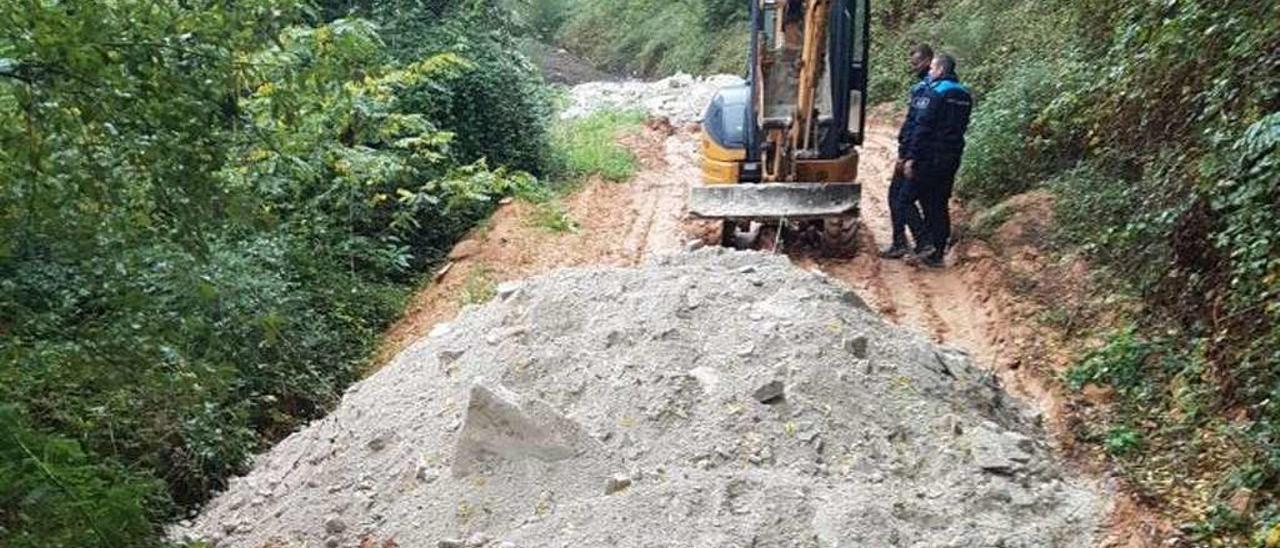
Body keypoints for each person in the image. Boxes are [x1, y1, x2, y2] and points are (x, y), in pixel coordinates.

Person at [900, 53, 973, 268]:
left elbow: (923, 127)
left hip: (929, 156)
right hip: (952, 156)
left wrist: (910, 157)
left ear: (941, 70)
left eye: (932, 68)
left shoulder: (935, 93)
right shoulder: (964, 95)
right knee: (938, 203)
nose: (930, 72)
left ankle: (924, 243)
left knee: (904, 199)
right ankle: (937, 253)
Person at [880, 44, 934, 259]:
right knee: (902, 196)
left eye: (917, 63)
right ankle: (908, 241)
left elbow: (918, 125)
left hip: (917, 154)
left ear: (929, 60)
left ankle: (917, 242)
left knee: (900, 197)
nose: (914, 67)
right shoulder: (931, 87)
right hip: (923, 153)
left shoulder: (926, 89)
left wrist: (907, 155)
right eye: (912, 63)